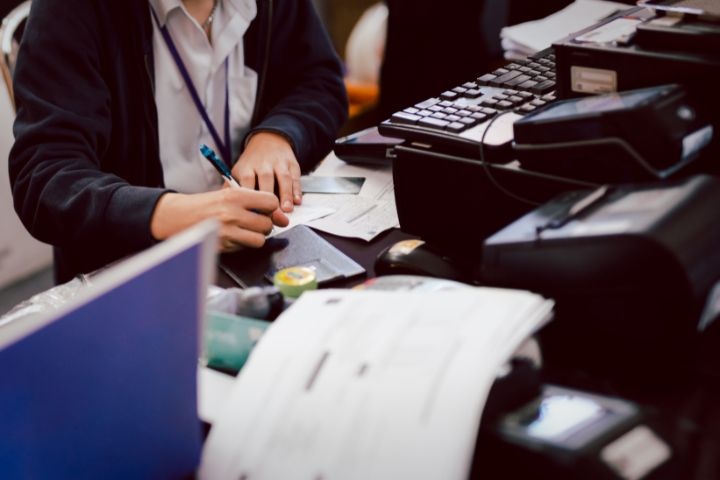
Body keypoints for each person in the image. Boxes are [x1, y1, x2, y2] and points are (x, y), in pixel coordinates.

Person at [9, 0, 348, 283]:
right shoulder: (73, 10)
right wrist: (170, 214)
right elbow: (45, 179)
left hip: (258, 251)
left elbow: (318, 81)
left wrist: (278, 135)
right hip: (133, 275)